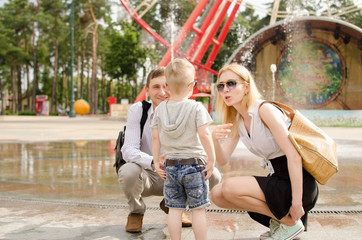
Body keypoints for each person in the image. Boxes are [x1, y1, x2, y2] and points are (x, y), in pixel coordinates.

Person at [209, 63, 319, 240]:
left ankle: (291, 223)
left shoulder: (264, 110)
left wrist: (297, 202)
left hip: (298, 182)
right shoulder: (238, 120)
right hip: (278, 178)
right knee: (216, 194)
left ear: (246, 87)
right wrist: (214, 139)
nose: (225, 90)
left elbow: (294, 156)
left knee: (229, 187)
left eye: (231, 83)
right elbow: (223, 160)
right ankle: (284, 222)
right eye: (220, 86)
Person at [119, 66, 221, 233]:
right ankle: (136, 212)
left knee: (213, 175)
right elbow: (128, 150)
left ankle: (174, 206)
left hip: (172, 172)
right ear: (147, 91)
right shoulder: (139, 110)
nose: (162, 91)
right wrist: (154, 161)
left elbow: (156, 138)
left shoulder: (172, 110)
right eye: (156, 87)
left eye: (165, 85)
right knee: (128, 170)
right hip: (151, 173)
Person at [151, 58, 216, 240]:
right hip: (194, 166)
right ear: (192, 86)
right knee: (198, 209)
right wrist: (211, 159)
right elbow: (205, 135)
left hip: (170, 166)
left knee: (174, 209)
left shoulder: (160, 110)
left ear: (168, 87)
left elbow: (155, 137)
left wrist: (157, 162)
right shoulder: (196, 107)